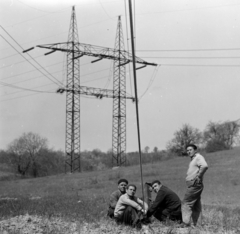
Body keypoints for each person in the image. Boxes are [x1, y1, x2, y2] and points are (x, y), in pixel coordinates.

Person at [181, 144, 208, 227]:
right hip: (193, 184)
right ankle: (197, 224)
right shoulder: (193, 159)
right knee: (196, 204)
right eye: (187, 150)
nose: (189, 152)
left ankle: (185, 223)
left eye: (190, 150)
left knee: (186, 203)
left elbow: (204, 166)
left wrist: (198, 176)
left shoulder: (198, 157)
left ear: (195, 150)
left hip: (195, 184)